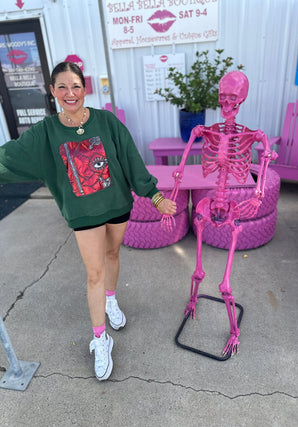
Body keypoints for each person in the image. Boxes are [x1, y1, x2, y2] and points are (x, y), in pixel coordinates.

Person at [0, 62, 177, 381]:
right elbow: (8, 157)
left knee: (112, 256)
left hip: (117, 204)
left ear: (84, 89)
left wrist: (154, 195)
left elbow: (130, 158)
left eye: (76, 86)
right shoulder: (45, 132)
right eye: (63, 88)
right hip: (83, 214)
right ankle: (100, 338)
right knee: (94, 272)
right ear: (52, 92)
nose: (71, 93)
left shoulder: (106, 122)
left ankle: (111, 300)